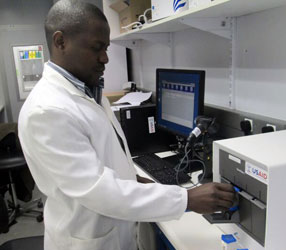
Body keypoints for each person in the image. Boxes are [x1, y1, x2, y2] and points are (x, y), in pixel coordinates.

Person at [18, 1, 235, 250]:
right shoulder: (47, 110)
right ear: (60, 42)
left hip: (112, 228)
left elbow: (102, 156)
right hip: (86, 240)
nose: (105, 58)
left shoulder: (87, 90)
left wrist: (133, 180)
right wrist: (187, 198)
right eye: (96, 48)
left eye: (107, 47)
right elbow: (98, 190)